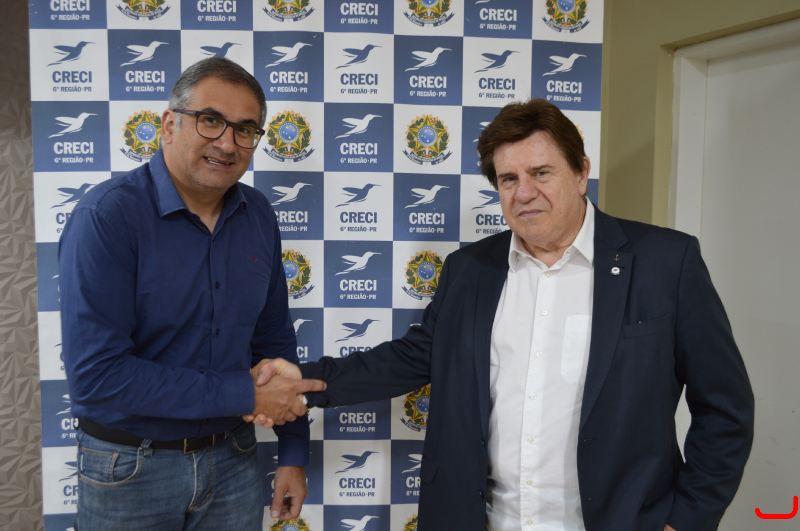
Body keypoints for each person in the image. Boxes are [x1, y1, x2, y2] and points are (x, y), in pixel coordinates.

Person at [256, 99, 755, 531]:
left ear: (581, 172)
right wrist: (304, 381)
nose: (523, 192)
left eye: (541, 173)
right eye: (508, 179)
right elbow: (411, 357)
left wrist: (686, 520)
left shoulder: (666, 262)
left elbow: (725, 409)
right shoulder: (470, 269)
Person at [59, 57, 326, 531]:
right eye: (210, 120)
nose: (227, 142)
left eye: (245, 130)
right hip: (130, 468)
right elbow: (97, 376)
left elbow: (274, 341)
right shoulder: (106, 216)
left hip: (234, 459)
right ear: (169, 124)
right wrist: (245, 393)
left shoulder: (259, 213)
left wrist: (293, 451)